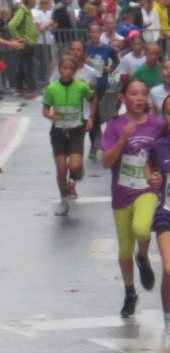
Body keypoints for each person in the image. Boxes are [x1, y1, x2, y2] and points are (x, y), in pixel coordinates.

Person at [100, 78, 164, 317]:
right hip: (122, 193)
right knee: (125, 248)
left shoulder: (158, 125)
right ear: (123, 99)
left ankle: (144, 257)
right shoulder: (115, 125)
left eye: (143, 94)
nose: (139, 99)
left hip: (147, 190)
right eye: (134, 94)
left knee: (142, 229)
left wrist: (159, 175)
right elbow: (106, 162)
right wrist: (122, 140)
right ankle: (129, 292)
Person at [44, 54, 95, 216]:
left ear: (74, 72)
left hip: (75, 131)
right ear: (59, 70)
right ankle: (64, 200)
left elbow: (93, 99)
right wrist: (51, 116)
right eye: (64, 68)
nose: (66, 72)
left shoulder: (81, 86)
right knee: (61, 169)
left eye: (70, 69)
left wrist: (91, 118)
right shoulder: (52, 88)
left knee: (74, 166)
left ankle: (77, 173)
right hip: (58, 132)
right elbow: (45, 110)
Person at [142, 95, 170, 353]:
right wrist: (151, 177)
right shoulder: (159, 146)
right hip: (167, 214)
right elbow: (148, 170)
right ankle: (168, 330)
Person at [85, 22, 118, 156]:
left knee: (102, 114)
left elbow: (116, 60)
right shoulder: (85, 47)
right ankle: (94, 144)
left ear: (100, 33)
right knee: (92, 115)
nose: (94, 34)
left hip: (103, 84)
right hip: (89, 85)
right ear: (89, 34)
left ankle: (104, 141)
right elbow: (76, 57)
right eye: (92, 32)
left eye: (97, 32)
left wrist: (110, 68)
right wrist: (85, 60)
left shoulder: (107, 48)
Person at [9, 0, 40, 99]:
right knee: (28, 67)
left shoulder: (28, 11)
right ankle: (30, 90)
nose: (35, 1)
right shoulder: (22, 11)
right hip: (25, 44)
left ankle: (19, 87)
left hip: (30, 43)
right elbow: (11, 25)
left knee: (23, 66)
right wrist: (18, 38)